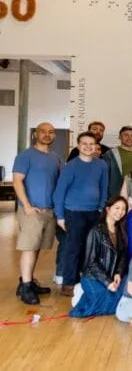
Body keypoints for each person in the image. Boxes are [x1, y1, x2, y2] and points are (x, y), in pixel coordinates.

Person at [54, 131, 109, 297]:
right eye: (84, 144)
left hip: (94, 213)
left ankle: (86, 280)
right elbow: (59, 192)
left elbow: (103, 187)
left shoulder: (101, 165)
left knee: (91, 248)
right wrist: (60, 216)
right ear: (78, 146)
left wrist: (100, 208)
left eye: (91, 144)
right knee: (73, 248)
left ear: (96, 146)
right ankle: (69, 283)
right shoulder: (70, 166)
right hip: (74, 212)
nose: (88, 147)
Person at [13, 122, 61, 304]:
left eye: (51, 132)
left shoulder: (56, 157)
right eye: (43, 132)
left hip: (49, 210)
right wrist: (26, 205)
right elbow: (17, 181)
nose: (47, 135)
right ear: (35, 134)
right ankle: (25, 287)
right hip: (31, 209)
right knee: (29, 247)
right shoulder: (25, 156)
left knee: (37, 246)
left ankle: (27, 281)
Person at [69, 196, 129, 317]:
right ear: (108, 209)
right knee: (105, 304)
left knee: (124, 292)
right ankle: (82, 293)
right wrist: (107, 282)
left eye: (123, 209)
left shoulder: (120, 230)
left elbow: (123, 256)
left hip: (112, 276)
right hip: (94, 277)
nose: (120, 212)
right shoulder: (96, 231)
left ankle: (89, 296)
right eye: (117, 208)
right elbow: (90, 262)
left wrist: (118, 273)